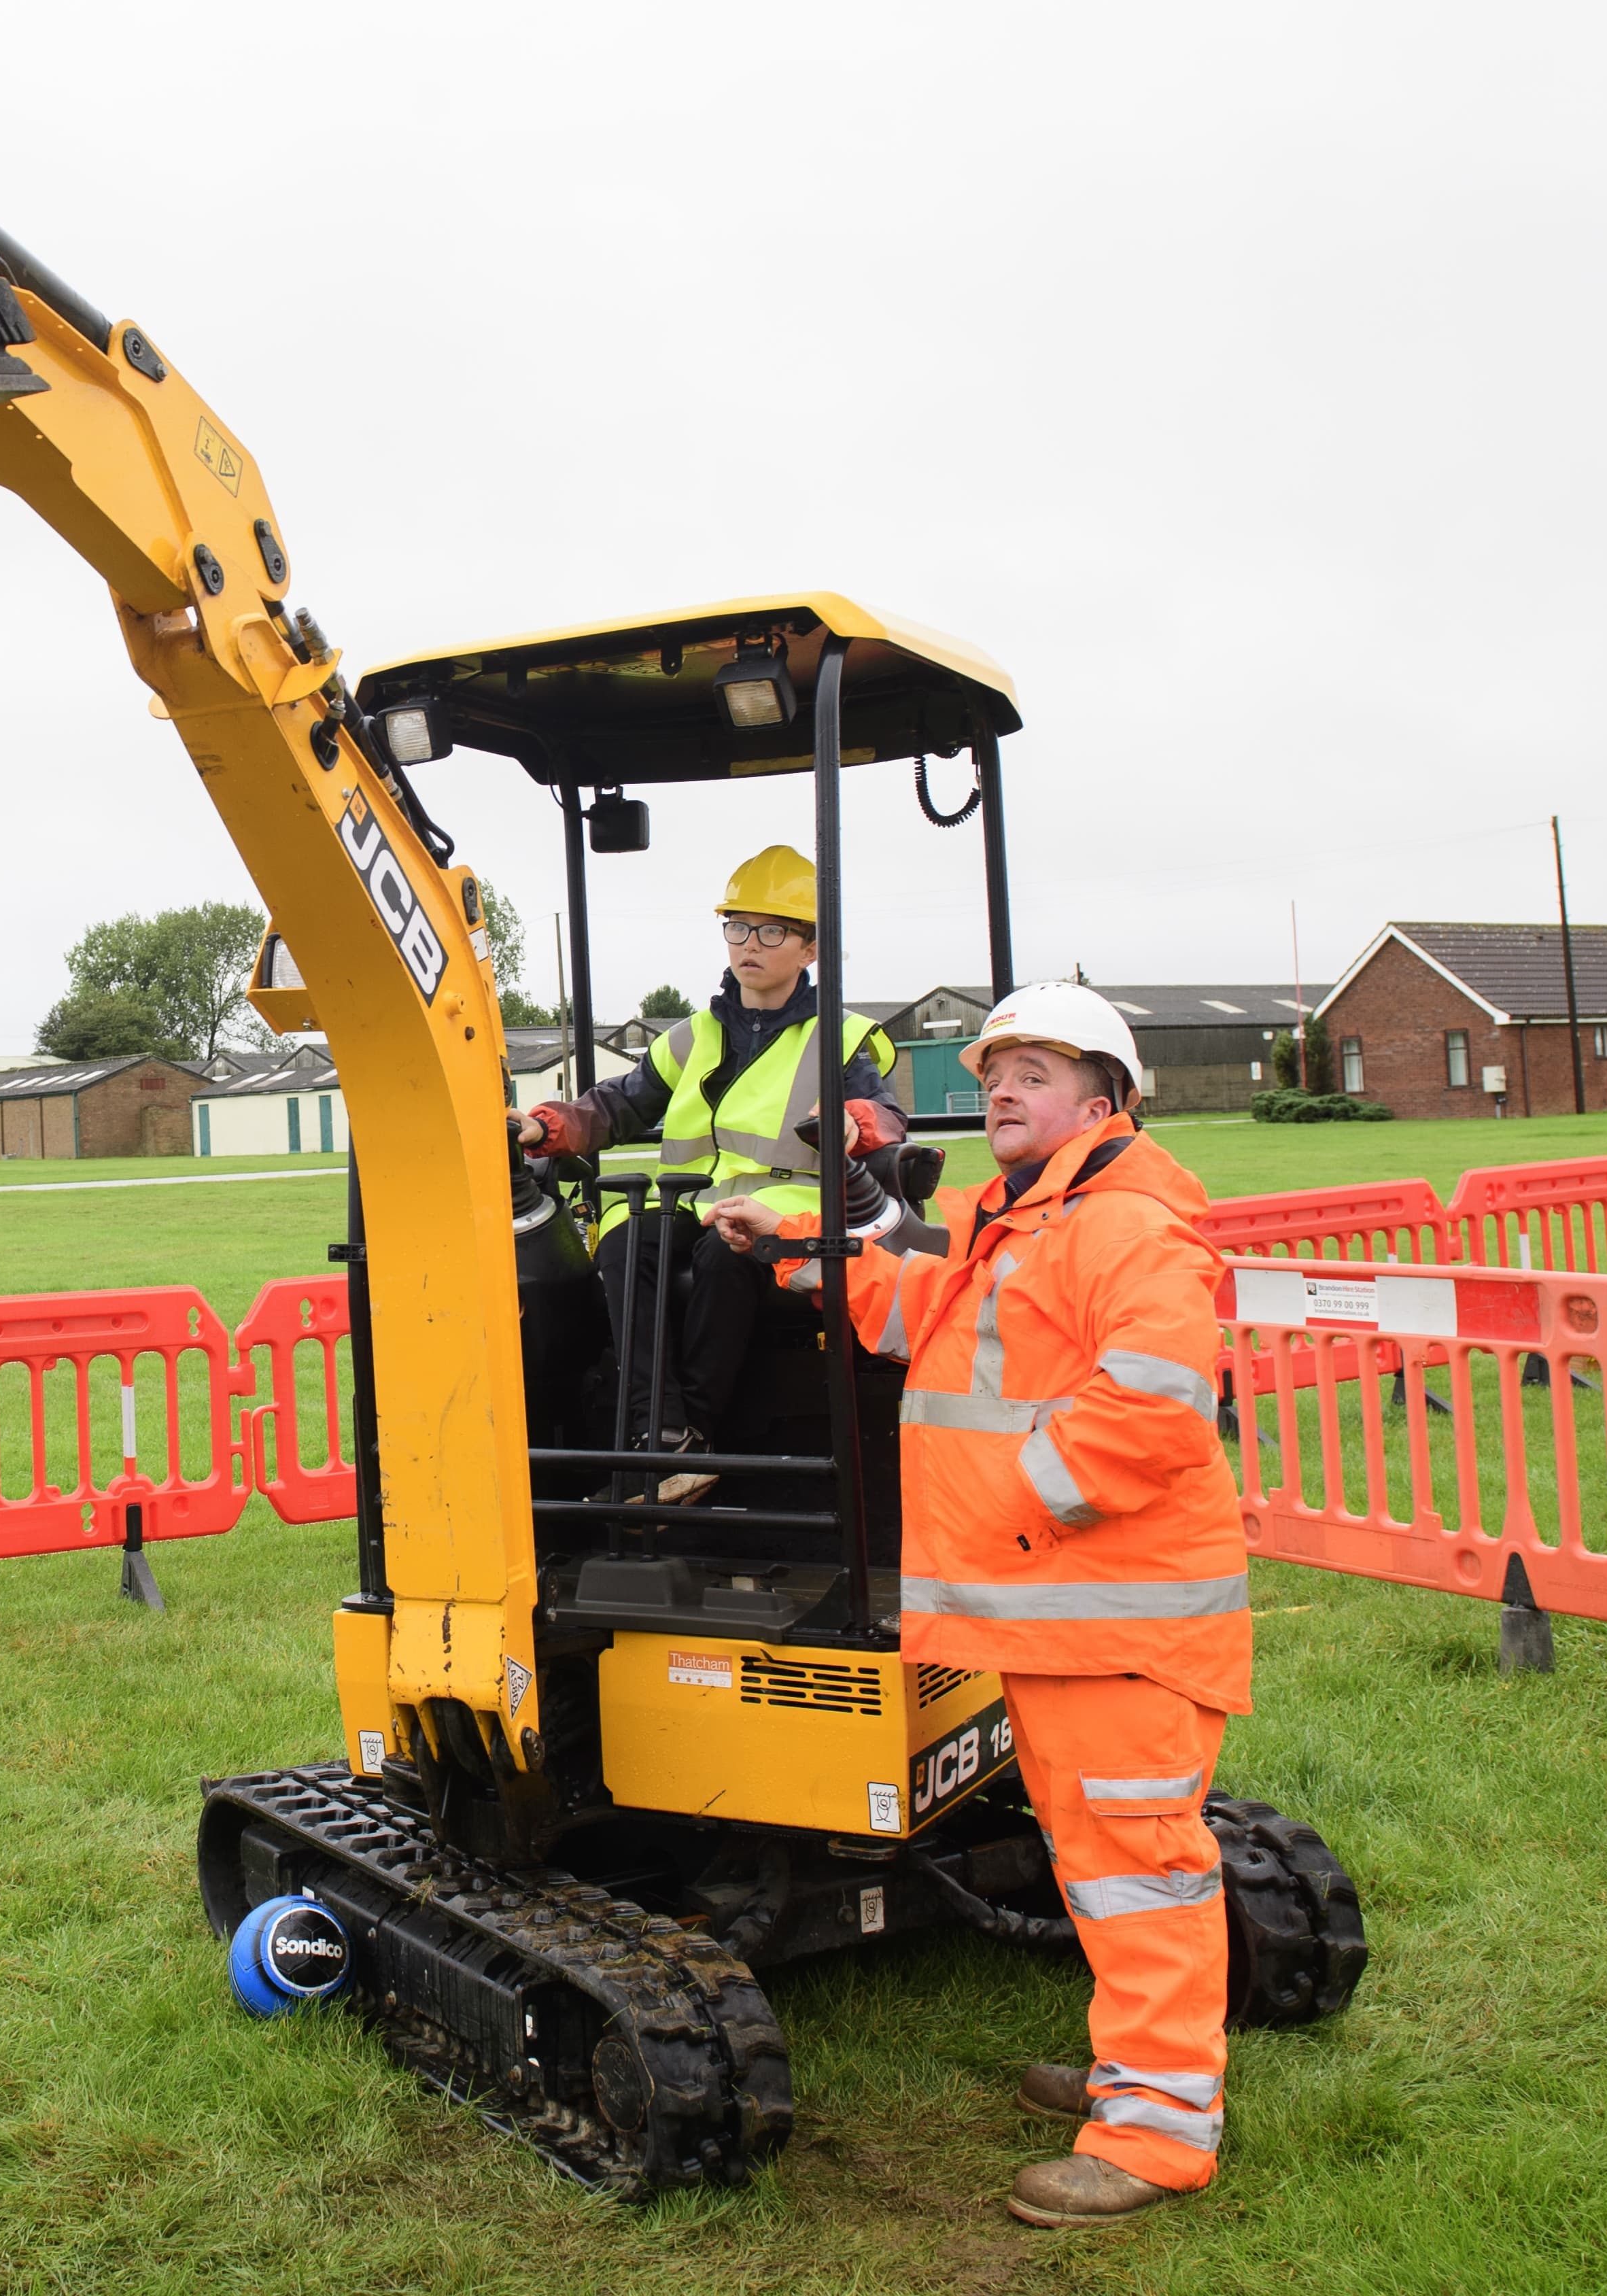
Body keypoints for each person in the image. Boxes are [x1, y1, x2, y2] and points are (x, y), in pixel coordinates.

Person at [706, 980, 1242, 2229]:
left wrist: (1019, 1510)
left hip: (1114, 1623)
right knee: (1101, 1863)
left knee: (1137, 1870)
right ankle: (1134, 2078)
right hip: (1070, 1622)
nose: (1002, 1090)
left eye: (1036, 1075)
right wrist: (795, 1256)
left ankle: (1157, 2137)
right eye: (996, 1072)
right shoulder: (1024, 1223)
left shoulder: (1123, 1228)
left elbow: (1155, 1408)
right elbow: (918, 1310)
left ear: (1103, 1104)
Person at [513, 845, 904, 1470]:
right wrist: (544, 1126)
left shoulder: (843, 1036)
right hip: (694, 1206)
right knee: (621, 1245)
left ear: (810, 950)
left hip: (789, 1216)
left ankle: (692, 1433)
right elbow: (620, 1104)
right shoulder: (693, 1035)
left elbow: (882, 1116)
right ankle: (659, 1430)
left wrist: (853, 1127)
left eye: (772, 929)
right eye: (737, 926)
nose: (749, 942)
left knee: (726, 1255)